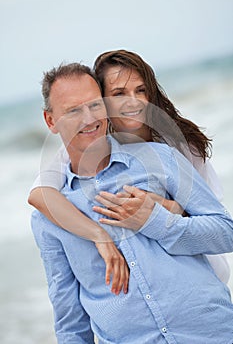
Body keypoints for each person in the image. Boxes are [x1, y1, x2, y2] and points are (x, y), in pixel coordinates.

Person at [30, 62, 233, 344]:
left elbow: (226, 233)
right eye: (73, 110)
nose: (88, 119)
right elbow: (70, 321)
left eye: (94, 105)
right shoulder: (50, 215)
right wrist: (98, 234)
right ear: (51, 121)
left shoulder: (162, 158)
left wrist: (158, 221)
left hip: (213, 333)